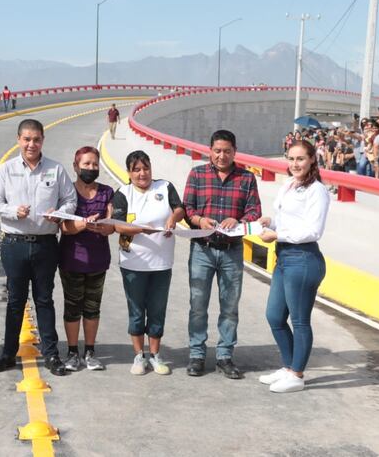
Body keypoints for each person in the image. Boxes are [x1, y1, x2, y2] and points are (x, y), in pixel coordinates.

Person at [0, 118, 77, 376]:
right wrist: (13, 211)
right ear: (18, 140)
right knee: (16, 301)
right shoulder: (6, 170)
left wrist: (59, 213)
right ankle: (7, 353)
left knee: (44, 300)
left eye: (36, 139)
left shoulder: (56, 169)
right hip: (14, 244)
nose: (31, 144)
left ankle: (51, 355)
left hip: (46, 244)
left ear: (42, 141)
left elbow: (70, 201)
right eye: (26, 139)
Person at [183, 129, 262, 379]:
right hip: (202, 250)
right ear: (209, 151)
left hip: (231, 252)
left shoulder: (247, 178)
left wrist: (236, 219)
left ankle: (225, 356)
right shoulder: (197, 174)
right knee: (198, 305)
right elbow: (186, 209)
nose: (221, 155)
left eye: (227, 151)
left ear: (234, 152)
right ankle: (197, 355)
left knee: (230, 307)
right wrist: (198, 219)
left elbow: (254, 212)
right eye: (217, 150)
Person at [257, 140, 330, 393]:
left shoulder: (317, 190)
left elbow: (312, 230)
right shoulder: (289, 184)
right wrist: (272, 222)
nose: (294, 164)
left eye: (300, 159)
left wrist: (277, 235)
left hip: (303, 259)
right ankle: (288, 367)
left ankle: (297, 375)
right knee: (275, 316)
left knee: (299, 321)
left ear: (312, 160)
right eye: (290, 159)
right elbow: (288, 219)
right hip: (284, 258)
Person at [112, 150, 185, 375]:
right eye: (136, 170)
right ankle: (138, 356)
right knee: (136, 310)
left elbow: (180, 209)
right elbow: (117, 224)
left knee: (157, 309)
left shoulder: (164, 187)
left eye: (146, 168)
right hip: (133, 263)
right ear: (129, 173)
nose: (142, 174)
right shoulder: (123, 193)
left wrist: (173, 218)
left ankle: (155, 355)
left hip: (161, 263)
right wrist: (141, 229)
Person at [58, 146, 115, 371]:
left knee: (93, 307)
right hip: (72, 259)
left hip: (98, 260)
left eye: (94, 164)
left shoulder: (107, 192)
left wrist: (103, 227)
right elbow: (64, 227)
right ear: (76, 167)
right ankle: (72, 352)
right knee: (72, 307)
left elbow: (112, 225)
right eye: (86, 164)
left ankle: (90, 351)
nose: (91, 168)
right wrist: (84, 224)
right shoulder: (67, 192)